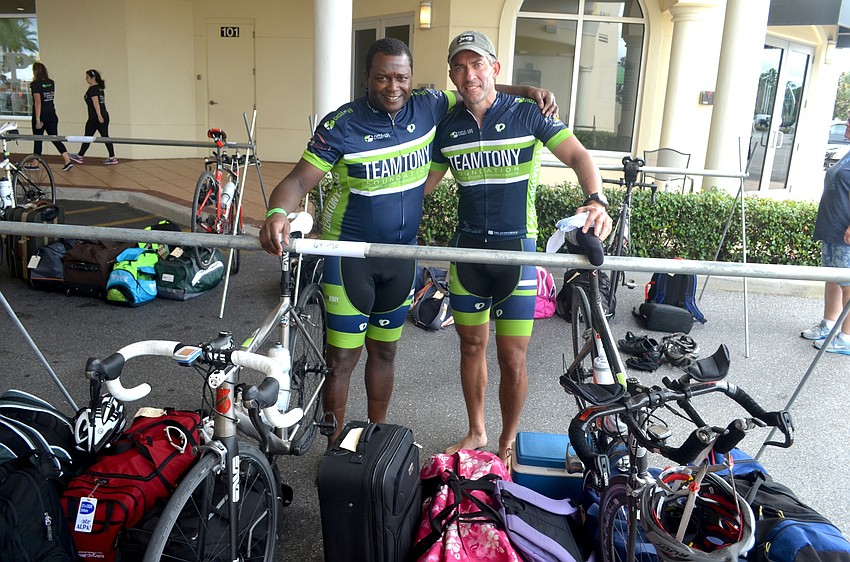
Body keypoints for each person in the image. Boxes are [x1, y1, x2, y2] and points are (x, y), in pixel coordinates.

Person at [259, 37, 557, 444]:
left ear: (412, 79)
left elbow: (476, 86)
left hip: (402, 257)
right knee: (342, 360)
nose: (392, 86)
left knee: (385, 353)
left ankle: (375, 440)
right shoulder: (342, 123)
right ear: (367, 78)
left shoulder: (429, 104)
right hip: (350, 257)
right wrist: (277, 212)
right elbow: (297, 179)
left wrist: (525, 92)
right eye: (382, 77)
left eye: (401, 77)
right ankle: (335, 449)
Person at [424, 31, 613, 463]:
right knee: (470, 347)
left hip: (519, 254)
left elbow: (580, 157)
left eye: (478, 64)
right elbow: (424, 187)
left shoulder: (529, 114)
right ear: (452, 73)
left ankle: (508, 440)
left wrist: (595, 199)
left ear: (495, 68)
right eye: (460, 66)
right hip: (468, 254)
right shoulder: (447, 125)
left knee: (512, 357)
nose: (469, 73)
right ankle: (476, 432)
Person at [800, 117, 850, 355]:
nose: (847, 123)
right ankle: (829, 324)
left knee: (849, 284)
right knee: (831, 277)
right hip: (833, 228)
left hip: (846, 232)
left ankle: (847, 338)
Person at [30, 62, 73, 171]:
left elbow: (38, 102)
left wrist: (38, 119)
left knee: (38, 139)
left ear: (35, 72)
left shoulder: (35, 84)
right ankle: (67, 160)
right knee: (55, 138)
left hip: (41, 115)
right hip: (52, 114)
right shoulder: (51, 83)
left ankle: (35, 163)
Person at [70, 69, 117, 165]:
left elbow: (96, 102)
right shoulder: (99, 88)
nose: (86, 79)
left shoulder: (93, 89)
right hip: (102, 116)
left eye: (87, 77)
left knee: (88, 136)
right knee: (104, 136)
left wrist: (99, 116)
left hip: (95, 118)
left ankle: (80, 156)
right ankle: (112, 157)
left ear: (93, 78)